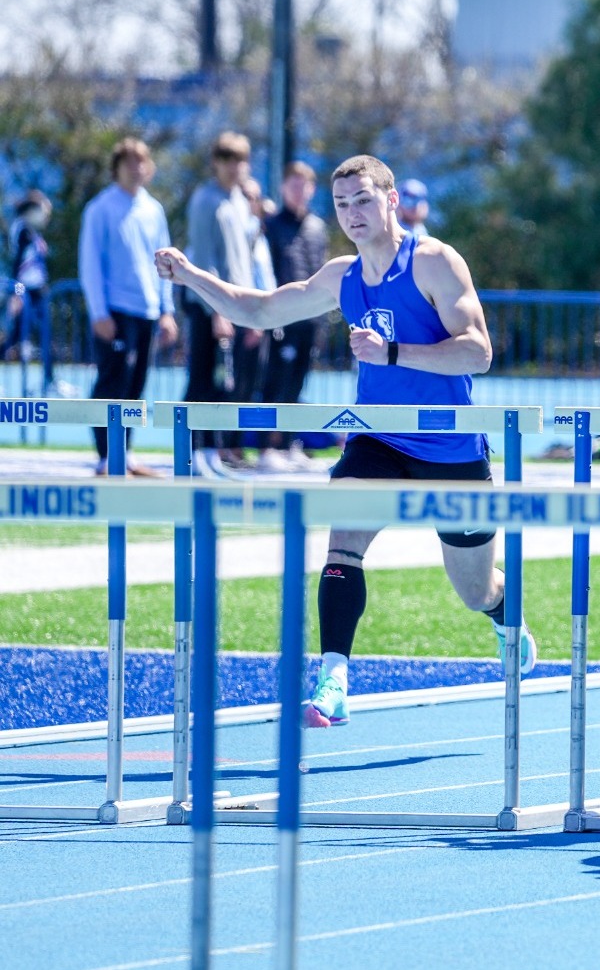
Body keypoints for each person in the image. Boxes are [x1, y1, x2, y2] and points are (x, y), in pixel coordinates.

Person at [155, 153, 528, 729]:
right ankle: (333, 678)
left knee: (474, 589)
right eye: (342, 205)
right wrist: (190, 275)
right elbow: (259, 308)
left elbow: (478, 351)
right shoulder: (342, 276)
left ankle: (504, 615)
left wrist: (395, 353)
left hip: (450, 448)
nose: (352, 214)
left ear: (391, 200)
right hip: (378, 439)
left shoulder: (433, 263)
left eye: (362, 200)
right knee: (342, 541)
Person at [79, 138, 178, 475]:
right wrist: (99, 312)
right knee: (112, 383)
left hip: (147, 311)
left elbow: (164, 262)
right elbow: (90, 264)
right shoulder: (100, 208)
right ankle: (107, 457)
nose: (136, 168)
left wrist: (167, 311)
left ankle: (125, 453)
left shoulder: (154, 209)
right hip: (115, 311)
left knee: (136, 387)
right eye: (129, 162)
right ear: (116, 168)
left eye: (142, 161)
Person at [182, 132, 265, 475]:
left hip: (237, 303)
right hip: (209, 307)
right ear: (216, 163)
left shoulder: (240, 200)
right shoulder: (206, 201)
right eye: (228, 160)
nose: (235, 168)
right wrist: (218, 311)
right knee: (204, 379)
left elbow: (248, 253)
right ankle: (193, 450)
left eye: (241, 161)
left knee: (232, 382)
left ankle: (219, 449)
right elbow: (204, 260)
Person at [256, 162, 330, 471]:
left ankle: (288, 445)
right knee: (275, 383)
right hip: (281, 318)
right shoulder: (271, 225)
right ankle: (265, 448)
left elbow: (323, 274)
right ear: (284, 187)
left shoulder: (317, 227)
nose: (300, 191)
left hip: (310, 320)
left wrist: (324, 320)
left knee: (297, 384)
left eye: (305, 185)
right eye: (294, 185)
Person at [4, 191, 52, 367]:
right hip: (24, 290)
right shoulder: (23, 230)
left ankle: (49, 378)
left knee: (45, 332)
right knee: (17, 333)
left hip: (36, 289)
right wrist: (16, 294)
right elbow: (16, 264)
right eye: (44, 212)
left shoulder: (32, 232)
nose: (46, 217)